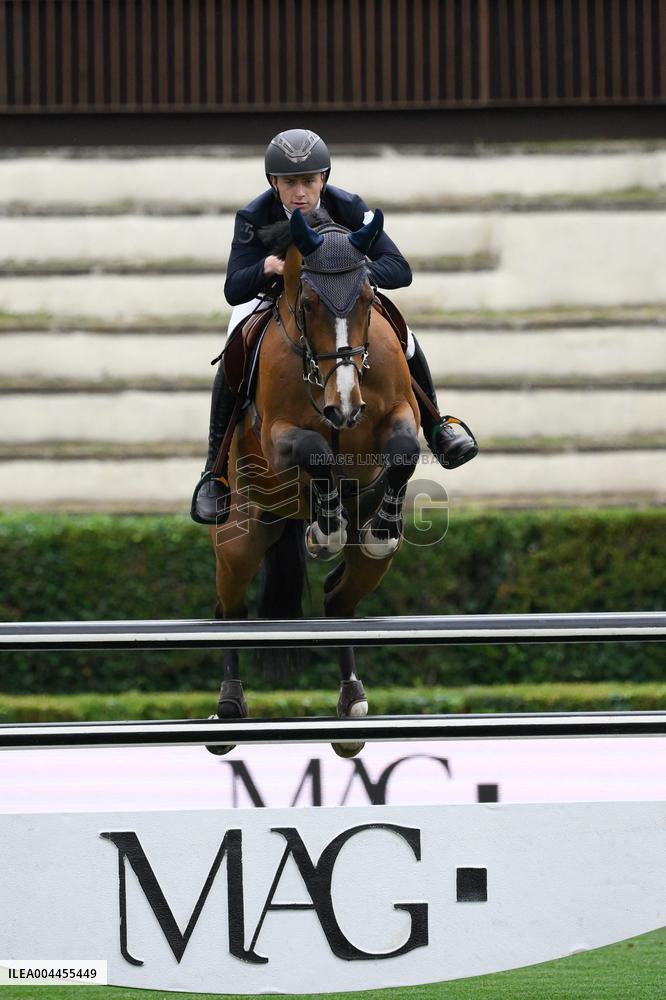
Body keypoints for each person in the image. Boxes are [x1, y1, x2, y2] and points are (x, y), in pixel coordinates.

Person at [191, 128, 478, 524]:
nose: (300, 193)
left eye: (308, 181)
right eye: (289, 182)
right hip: (274, 299)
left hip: (341, 301)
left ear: (323, 178)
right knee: (236, 347)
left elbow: (400, 269)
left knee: (401, 332)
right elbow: (233, 288)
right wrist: (266, 267)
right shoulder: (253, 217)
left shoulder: (349, 206)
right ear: (273, 182)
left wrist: (356, 273)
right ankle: (215, 471)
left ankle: (437, 426)